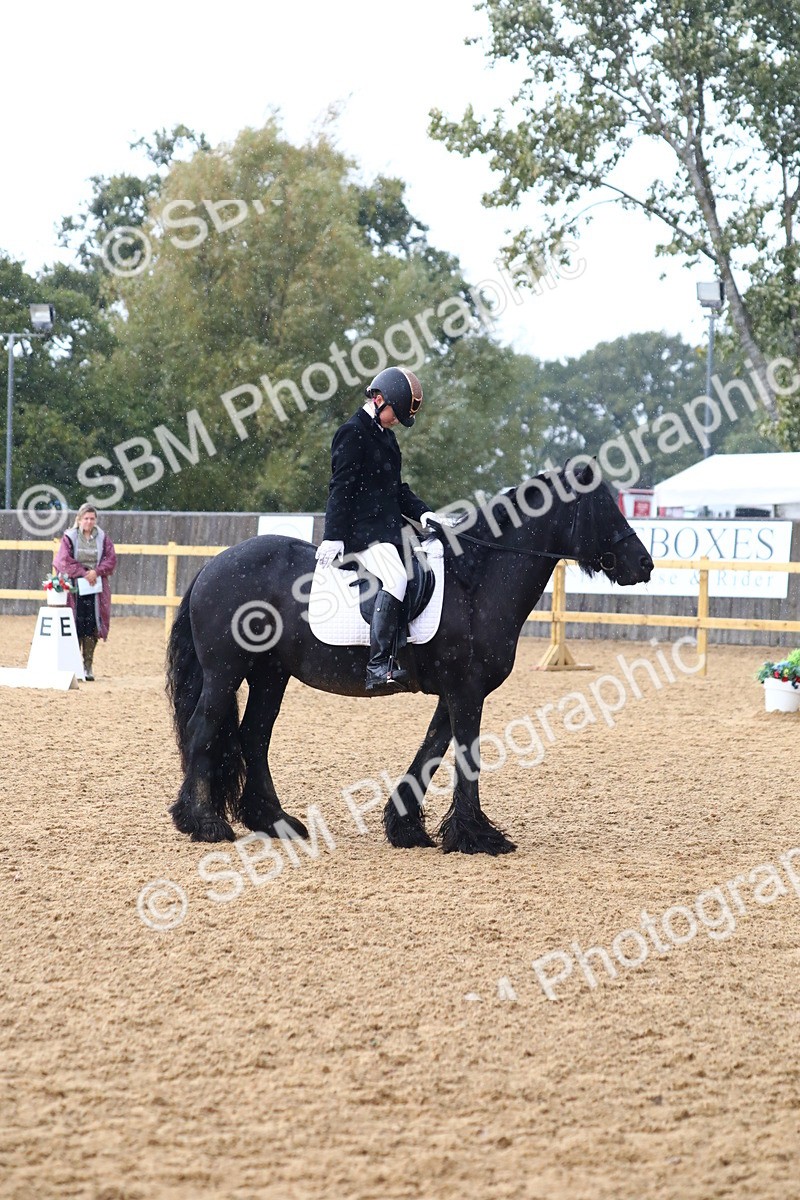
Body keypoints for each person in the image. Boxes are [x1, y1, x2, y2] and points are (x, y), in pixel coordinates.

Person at [316, 366, 439, 690]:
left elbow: (397, 491)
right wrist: (334, 536)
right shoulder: (352, 432)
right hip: (363, 536)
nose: (398, 419)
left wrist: (425, 515)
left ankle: (405, 655)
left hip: (390, 532)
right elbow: (341, 487)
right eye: (396, 413)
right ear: (379, 399)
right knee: (397, 578)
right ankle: (377, 666)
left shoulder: (388, 440)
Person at [54, 504, 117, 681]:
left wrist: (96, 572)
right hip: (75, 587)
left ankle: (87, 665)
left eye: (92, 518)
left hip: (95, 589)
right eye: (86, 518)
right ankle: (74, 665)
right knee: (75, 623)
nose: (89, 522)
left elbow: (110, 559)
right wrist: (83, 572)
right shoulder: (70, 537)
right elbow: (64, 560)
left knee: (92, 624)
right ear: (79, 519)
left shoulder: (102, 538)